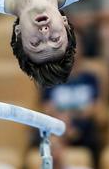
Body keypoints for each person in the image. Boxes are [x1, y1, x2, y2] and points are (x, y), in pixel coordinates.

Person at [42, 32, 100, 163]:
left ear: (82, 48)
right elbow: (47, 107)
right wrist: (64, 122)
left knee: (92, 132)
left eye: (75, 45)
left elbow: (94, 107)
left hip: (82, 131)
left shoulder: (91, 78)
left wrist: (70, 122)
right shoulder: (51, 78)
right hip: (57, 127)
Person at [64, 0, 109, 69]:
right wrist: (78, 21)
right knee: (70, 36)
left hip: (97, 30)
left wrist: (87, 19)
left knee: (108, 33)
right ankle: (73, 78)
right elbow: (62, 16)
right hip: (75, 29)